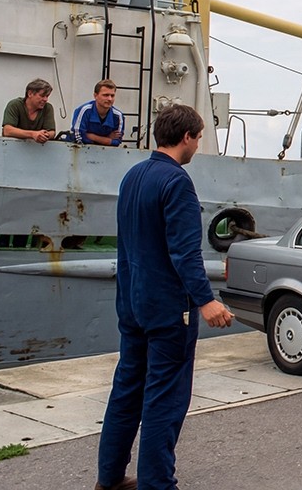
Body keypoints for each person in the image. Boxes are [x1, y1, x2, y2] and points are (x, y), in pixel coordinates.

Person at [96, 104, 234, 490]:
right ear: (186, 137)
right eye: (199, 138)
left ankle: (109, 479)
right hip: (168, 309)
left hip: (131, 302)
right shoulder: (177, 183)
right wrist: (206, 300)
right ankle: (156, 484)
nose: (198, 145)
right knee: (165, 398)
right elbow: (185, 253)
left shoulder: (133, 176)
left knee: (127, 389)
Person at [72, 79, 126, 146]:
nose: (110, 99)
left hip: (106, 152)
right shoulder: (84, 110)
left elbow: (116, 142)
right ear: (95, 96)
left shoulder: (118, 116)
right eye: (105, 95)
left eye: (112, 96)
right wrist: (107, 138)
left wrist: (91, 136)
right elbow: (78, 138)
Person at [1, 78, 55, 143]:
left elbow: (52, 132)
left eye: (47, 96)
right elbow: (7, 131)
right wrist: (32, 134)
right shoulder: (15, 105)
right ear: (30, 93)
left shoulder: (47, 108)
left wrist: (44, 135)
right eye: (42, 96)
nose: (45, 99)